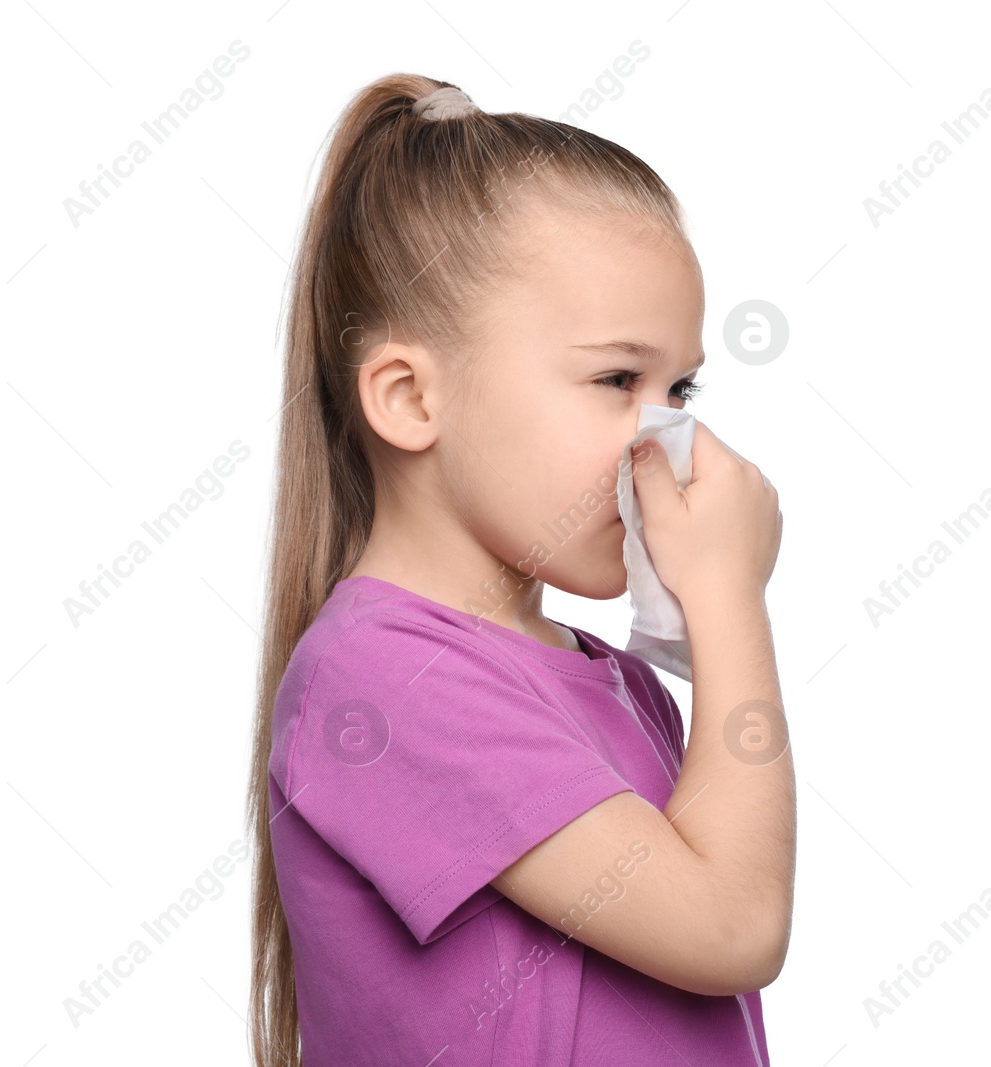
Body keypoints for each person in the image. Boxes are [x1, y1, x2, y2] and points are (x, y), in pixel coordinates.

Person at [245, 74, 792, 1066]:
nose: (666, 435)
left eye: (680, 386)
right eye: (616, 379)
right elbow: (732, 926)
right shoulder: (385, 679)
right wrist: (726, 601)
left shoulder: (622, 686)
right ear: (411, 398)